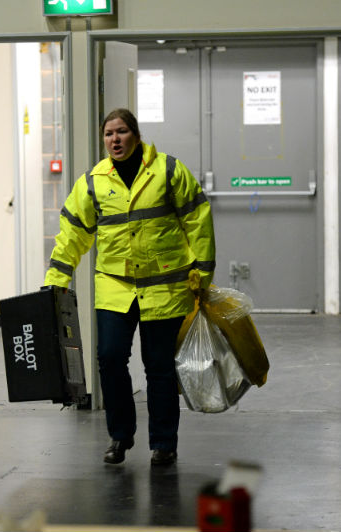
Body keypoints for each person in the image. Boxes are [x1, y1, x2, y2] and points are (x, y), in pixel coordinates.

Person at [44, 108, 216, 466]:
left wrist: (203, 270)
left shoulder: (167, 171)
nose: (115, 139)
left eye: (121, 131)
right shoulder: (93, 181)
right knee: (109, 359)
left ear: (136, 135)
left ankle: (164, 443)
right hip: (115, 288)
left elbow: (197, 218)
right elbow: (72, 234)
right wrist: (56, 282)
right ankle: (120, 436)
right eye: (109, 134)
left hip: (164, 290)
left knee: (159, 367)